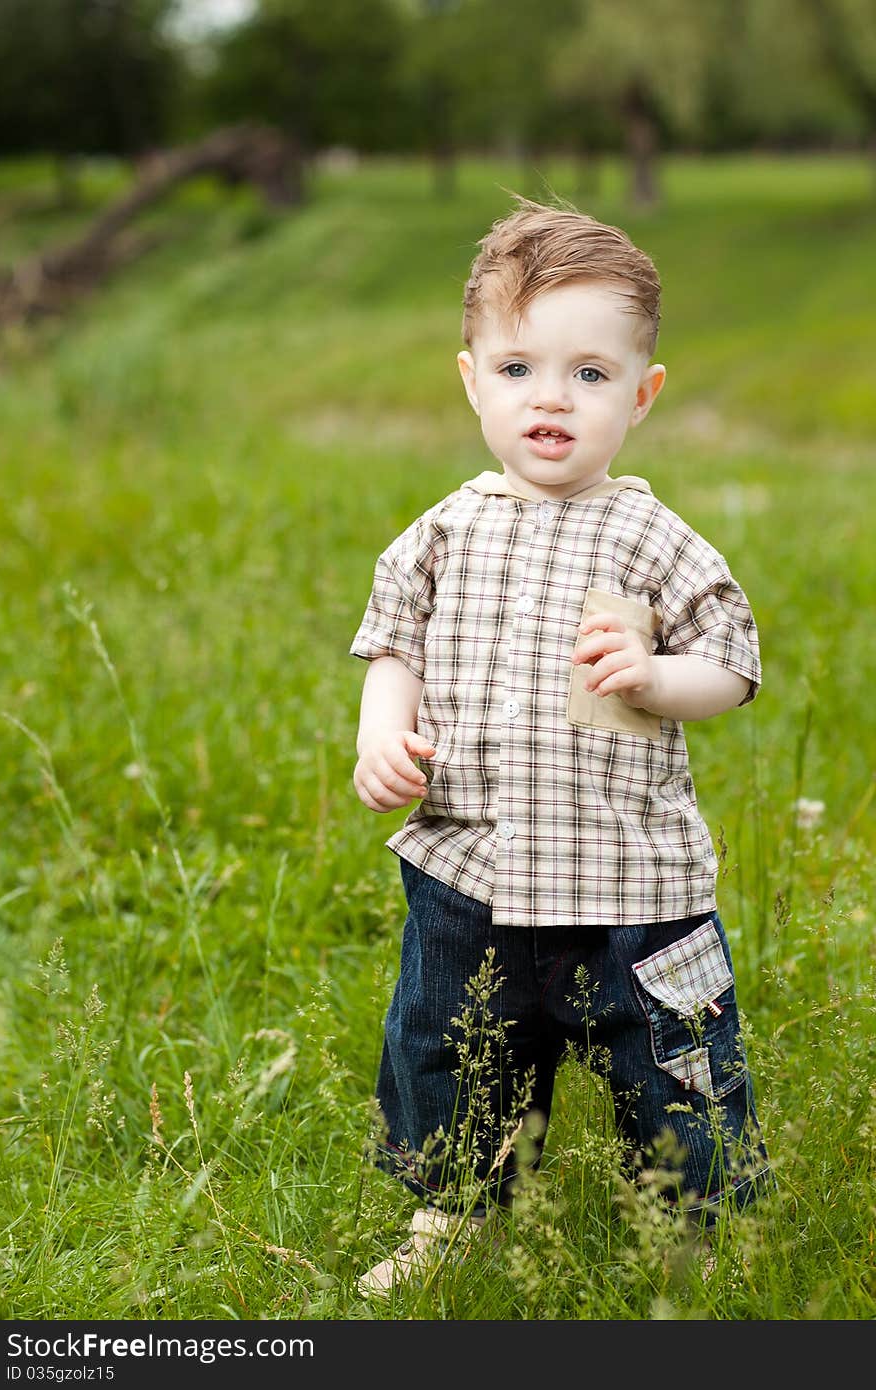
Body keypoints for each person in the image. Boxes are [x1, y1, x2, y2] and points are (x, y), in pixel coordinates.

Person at [349, 197, 772, 1298]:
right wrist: (382, 730)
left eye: (589, 374)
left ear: (642, 393)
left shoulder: (649, 532)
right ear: (470, 378)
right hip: (468, 865)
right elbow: (389, 641)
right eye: (518, 368)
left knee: (668, 1057)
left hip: (629, 873)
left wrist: (656, 678)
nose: (551, 397)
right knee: (451, 1046)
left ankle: (684, 1221)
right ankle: (454, 1206)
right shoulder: (442, 529)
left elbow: (729, 664)